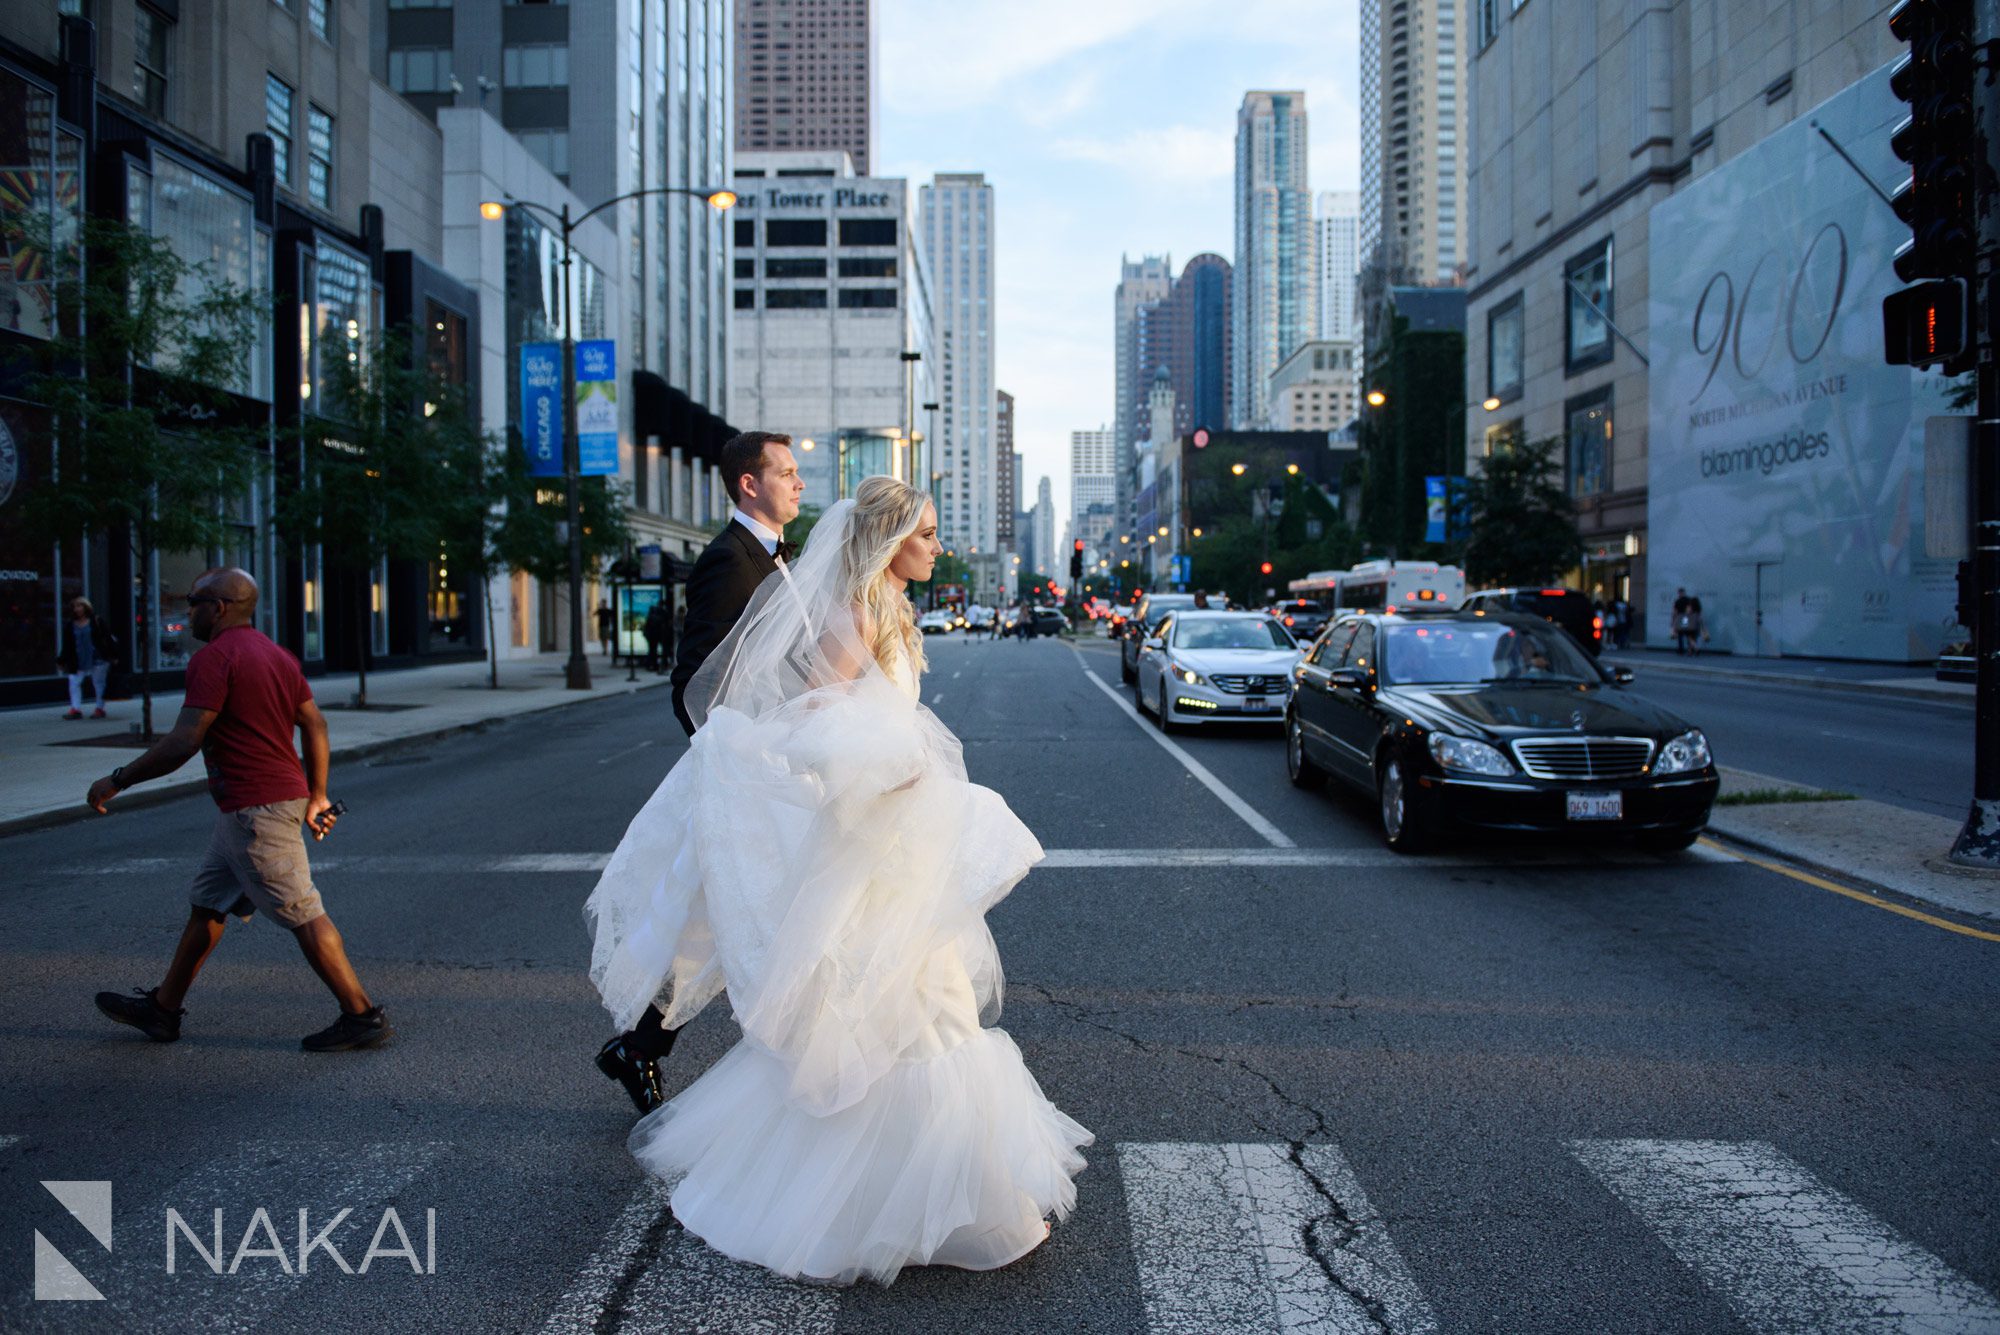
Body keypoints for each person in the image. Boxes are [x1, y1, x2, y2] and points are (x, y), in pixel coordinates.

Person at [585, 477, 1090, 1285]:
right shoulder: (847, 617)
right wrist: (890, 774)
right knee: (893, 1012)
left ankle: (942, 1197)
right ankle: (871, 1207)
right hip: (866, 839)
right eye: (924, 533)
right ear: (890, 541)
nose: (936, 545)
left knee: (930, 1004)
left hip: (901, 842)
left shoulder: (892, 608)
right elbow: (819, 723)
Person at [84, 568, 390, 1052]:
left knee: (303, 912)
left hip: (257, 811)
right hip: (252, 808)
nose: (188, 613)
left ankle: (362, 1015)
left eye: (194, 602)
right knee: (208, 906)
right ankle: (163, 1010)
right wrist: (317, 794)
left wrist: (118, 779)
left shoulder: (215, 658)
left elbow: (186, 740)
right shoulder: (278, 655)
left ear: (219, 607)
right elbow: (316, 725)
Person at [598, 431, 804, 1114]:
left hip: (776, 766)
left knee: (715, 921)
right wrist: (730, 762)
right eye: (786, 471)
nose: (798, 483)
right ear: (749, 484)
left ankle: (641, 1044)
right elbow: (693, 679)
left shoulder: (774, 557)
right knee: (750, 918)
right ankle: (785, 1080)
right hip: (744, 771)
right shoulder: (728, 561)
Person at [58, 597, 120, 720]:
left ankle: (99, 708)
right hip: (77, 659)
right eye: (75, 606)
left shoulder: (96, 621)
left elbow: (107, 638)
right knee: (74, 682)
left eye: (80, 606)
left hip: (97, 657)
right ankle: (75, 708)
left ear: (86, 607)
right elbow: (67, 644)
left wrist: (113, 655)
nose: (77, 609)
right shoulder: (70, 625)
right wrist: (62, 659)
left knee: (98, 683)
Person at [642, 598, 672, 675]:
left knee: (652, 650)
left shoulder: (652, 613)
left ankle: (652, 665)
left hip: (651, 635)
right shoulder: (663, 613)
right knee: (662, 650)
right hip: (658, 634)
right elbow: (667, 624)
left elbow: (647, 624)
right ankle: (661, 665)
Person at [1672, 588, 1703, 656]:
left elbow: (1675, 612)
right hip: (1692, 621)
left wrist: (1673, 621)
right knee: (1691, 635)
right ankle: (1690, 650)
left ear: (1679, 593)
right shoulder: (1689, 600)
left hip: (1683, 619)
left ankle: (1685, 649)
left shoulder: (1678, 601)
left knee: (1684, 634)